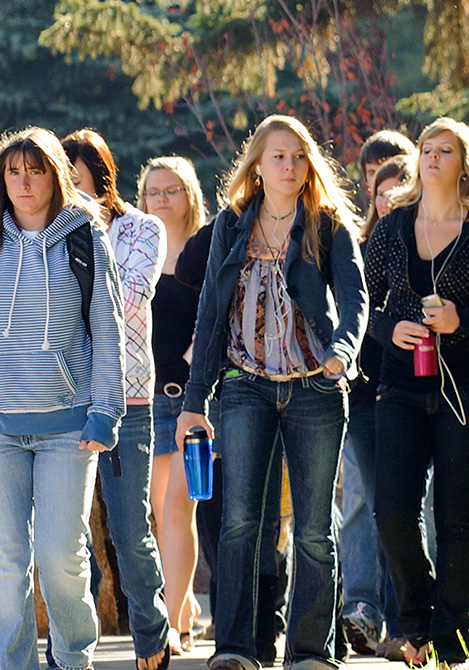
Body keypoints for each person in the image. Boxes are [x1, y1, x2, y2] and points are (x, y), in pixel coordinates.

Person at [0, 127, 123, 670]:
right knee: (5, 560)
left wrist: (107, 411)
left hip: (69, 426)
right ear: (0, 179)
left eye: (35, 170)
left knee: (61, 558)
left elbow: (106, 331)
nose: (24, 181)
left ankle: (73, 657)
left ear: (55, 174)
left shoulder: (85, 240)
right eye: (14, 171)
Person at [176, 115, 368, 670]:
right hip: (245, 389)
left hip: (316, 389)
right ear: (257, 164)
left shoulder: (327, 223)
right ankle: (234, 648)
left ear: (309, 165)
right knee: (238, 522)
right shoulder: (232, 224)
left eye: (299, 156)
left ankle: (310, 652)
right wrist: (194, 400)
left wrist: (344, 352)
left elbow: (355, 300)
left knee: (312, 529)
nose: (289, 165)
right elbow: (211, 311)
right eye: (278, 156)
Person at [363, 118, 469, 668]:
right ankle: (417, 622)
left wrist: (461, 321)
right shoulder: (392, 228)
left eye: (444, 150)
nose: (431, 157)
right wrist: (390, 330)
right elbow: (362, 306)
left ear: (464, 163)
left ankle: (453, 645)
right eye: (426, 149)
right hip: (400, 388)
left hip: (466, 391)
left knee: (455, 518)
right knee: (391, 513)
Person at [61, 129, 175, 670]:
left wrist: (86, 226)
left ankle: (153, 636)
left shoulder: (140, 230)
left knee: (130, 531)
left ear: (100, 179)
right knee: (67, 537)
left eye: (75, 183)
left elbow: (128, 299)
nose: (67, 194)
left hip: (128, 402)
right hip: (64, 402)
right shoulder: (48, 235)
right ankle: (72, 648)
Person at [334, 130, 412, 657]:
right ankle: (361, 609)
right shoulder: (357, 247)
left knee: (405, 504)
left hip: (412, 394)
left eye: (395, 179)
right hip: (361, 396)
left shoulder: (426, 240)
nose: (383, 192)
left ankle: (407, 609)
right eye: (374, 179)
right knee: (359, 500)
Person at [136, 156, 209, 653]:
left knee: (177, 508)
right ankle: (180, 605)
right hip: (145, 400)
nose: (161, 199)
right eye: (153, 192)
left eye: (171, 190)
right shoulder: (136, 250)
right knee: (159, 515)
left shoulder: (206, 249)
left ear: (189, 195)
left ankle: (175, 624)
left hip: (193, 400)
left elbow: (221, 313)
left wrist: (193, 356)